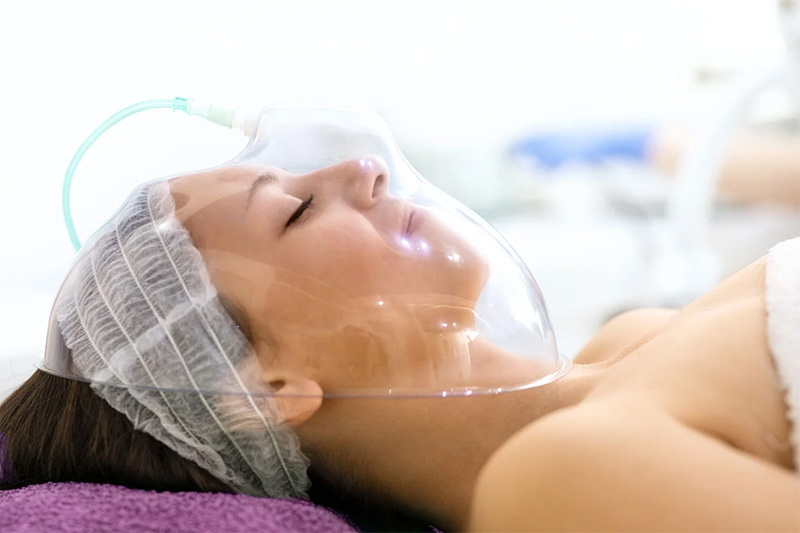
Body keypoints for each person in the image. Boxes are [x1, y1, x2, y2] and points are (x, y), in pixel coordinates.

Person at [1, 157, 797, 532]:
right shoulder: (562, 480)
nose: (365, 166)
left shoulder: (627, 343)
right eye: (296, 209)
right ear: (267, 388)